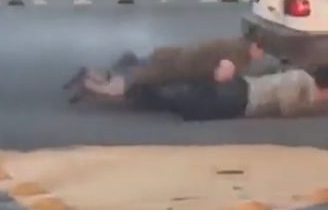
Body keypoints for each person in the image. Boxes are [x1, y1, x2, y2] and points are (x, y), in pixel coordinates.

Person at [65, 36, 272, 107]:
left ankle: (90, 74)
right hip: (173, 67)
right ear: (256, 48)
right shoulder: (239, 55)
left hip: (169, 54)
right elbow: (221, 76)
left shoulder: (235, 42)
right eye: (262, 52)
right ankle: (88, 83)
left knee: (129, 75)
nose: (261, 56)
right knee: (123, 86)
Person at [108, 62, 328, 121]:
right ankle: (141, 91)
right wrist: (318, 107)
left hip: (241, 92)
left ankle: (142, 92)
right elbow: (288, 108)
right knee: (193, 106)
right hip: (241, 96)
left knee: (189, 101)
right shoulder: (299, 80)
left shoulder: (303, 80)